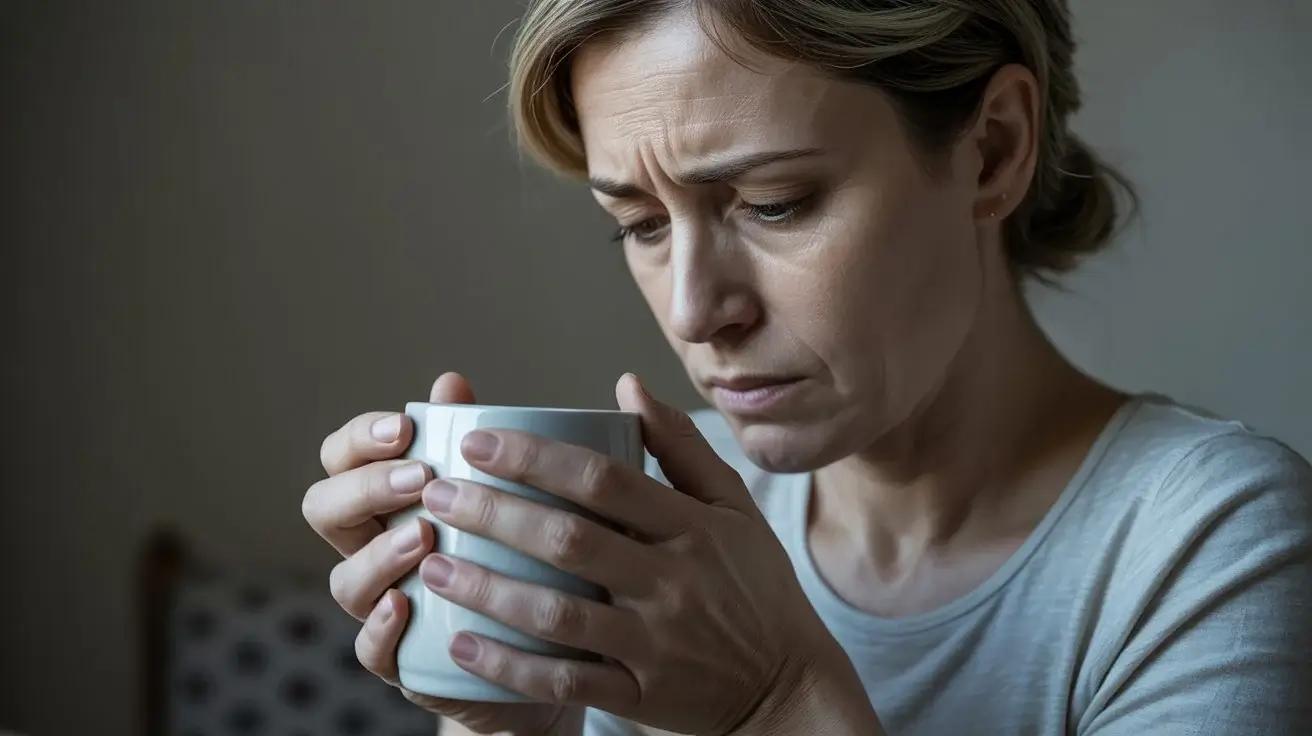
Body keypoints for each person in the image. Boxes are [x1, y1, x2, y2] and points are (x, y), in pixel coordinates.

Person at [302, 1, 1312, 734]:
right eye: (640, 225)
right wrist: (503, 708)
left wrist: (777, 700)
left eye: (773, 202)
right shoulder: (643, 523)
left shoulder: (1209, 545)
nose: (695, 311)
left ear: (993, 150)